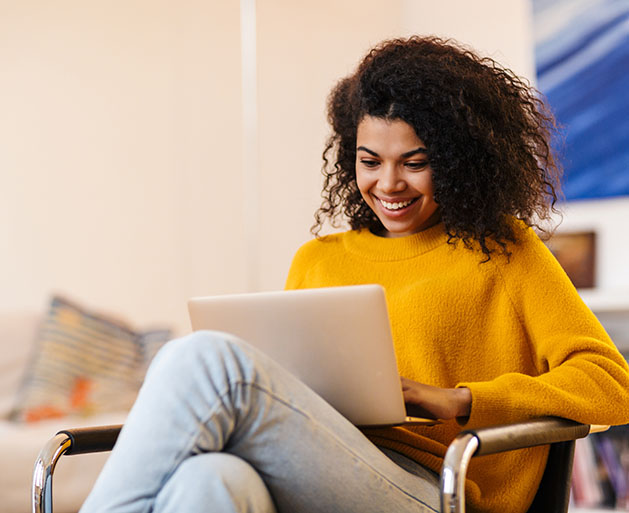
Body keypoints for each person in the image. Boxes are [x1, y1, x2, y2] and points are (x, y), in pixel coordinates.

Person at [79, 36, 629, 513]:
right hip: (323, 467)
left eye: (414, 162)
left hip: (436, 489)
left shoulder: (504, 249)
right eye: (371, 161)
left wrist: (460, 400)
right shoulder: (317, 259)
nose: (389, 184)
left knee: (202, 358)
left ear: (459, 160)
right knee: (210, 481)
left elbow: (613, 384)